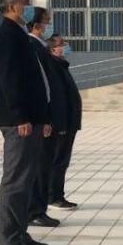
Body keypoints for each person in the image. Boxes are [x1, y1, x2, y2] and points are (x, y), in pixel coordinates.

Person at [0, 0, 51, 245]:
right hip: (19, 121)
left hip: (30, 119)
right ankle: (9, 237)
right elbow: (9, 81)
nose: (29, 8)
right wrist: (21, 117)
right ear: (14, 6)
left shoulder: (18, 34)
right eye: (26, 4)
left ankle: (20, 231)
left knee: (26, 179)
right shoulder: (6, 36)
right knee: (16, 179)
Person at [25, 8, 62, 229]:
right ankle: (34, 210)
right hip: (41, 117)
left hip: (47, 116)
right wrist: (44, 117)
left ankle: (39, 209)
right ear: (37, 25)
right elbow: (39, 86)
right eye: (46, 22)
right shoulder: (32, 47)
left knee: (44, 165)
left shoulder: (40, 47)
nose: (48, 26)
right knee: (38, 168)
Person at [48, 35, 81, 210]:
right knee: (57, 160)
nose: (66, 46)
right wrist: (59, 125)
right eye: (62, 44)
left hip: (69, 123)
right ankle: (53, 197)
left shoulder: (62, 66)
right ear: (52, 49)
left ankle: (57, 195)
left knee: (62, 161)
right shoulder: (53, 67)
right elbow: (57, 98)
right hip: (61, 124)